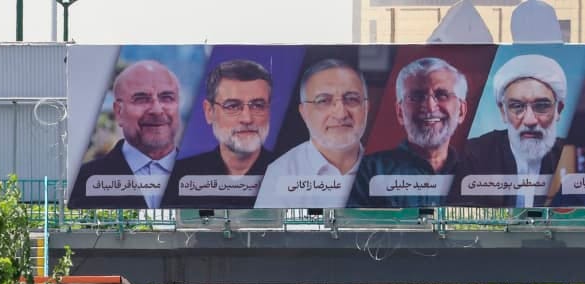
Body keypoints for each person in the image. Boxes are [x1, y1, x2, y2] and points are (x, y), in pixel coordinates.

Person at [351, 57, 469, 207]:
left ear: (461, 112)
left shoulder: (476, 173)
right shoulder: (366, 172)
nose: (430, 106)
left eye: (442, 95)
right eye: (417, 96)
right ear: (400, 112)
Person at [255, 59, 369, 208]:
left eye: (352, 99)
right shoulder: (281, 173)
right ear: (304, 112)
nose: (341, 114)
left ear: (366, 108)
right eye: (323, 101)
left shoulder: (386, 170)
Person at [161, 59, 275, 208]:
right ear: (209, 112)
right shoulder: (177, 177)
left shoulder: (290, 175)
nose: (247, 118)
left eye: (258, 105)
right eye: (233, 106)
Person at [69, 60, 181, 209]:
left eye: (167, 98)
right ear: (119, 112)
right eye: (141, 99)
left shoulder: (208, 176)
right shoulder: (83, 181)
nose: (157, 110)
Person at [461, 54, 567, 207]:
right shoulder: (472, 156)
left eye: (542, 106)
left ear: (558, 110)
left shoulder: (567, 154)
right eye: (517, 106)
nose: (530, 120)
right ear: (503, 112)